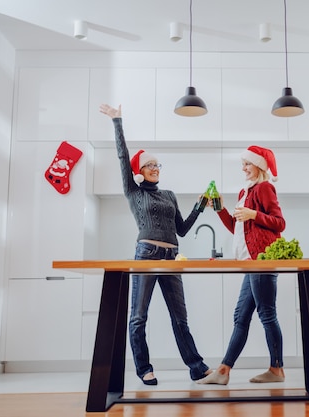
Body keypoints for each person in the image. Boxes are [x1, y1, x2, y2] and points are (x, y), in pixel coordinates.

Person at [99, 103, 210, 385]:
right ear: (140, 171)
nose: (154, 168)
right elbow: (123, 157)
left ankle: (196, 368)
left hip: (171, 256)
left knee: (180, 318)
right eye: (149, 165)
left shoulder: (170, 195)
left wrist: (199, 208)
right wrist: (117, 121)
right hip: (146, 254)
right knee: (138, 317)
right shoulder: (133, 192)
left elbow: (182, 230)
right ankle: (143, 369)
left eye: (157, 165)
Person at [198, 145, 286, 385]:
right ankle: (224, 371)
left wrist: (253, 214)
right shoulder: (244, 193)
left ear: (258, 165)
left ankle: (276, 369)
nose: (243, 168)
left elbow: (279, 223)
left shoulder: (265, 188)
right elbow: (236, 227)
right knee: (241, 316)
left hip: (261, 260)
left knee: (266, 314)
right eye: (243, 164)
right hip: (250, 261)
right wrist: (218, 207)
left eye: (247, 163)